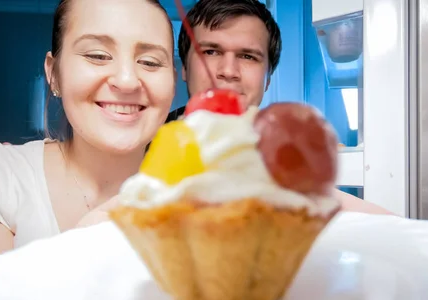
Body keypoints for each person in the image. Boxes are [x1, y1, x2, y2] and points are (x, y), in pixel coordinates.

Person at [0, 0, 177, 255]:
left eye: (150, 62)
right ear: (53, 72)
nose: (127, 81)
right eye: (98, 56)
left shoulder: (204, 197)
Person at [168, 0, 393, 215]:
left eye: (247, 56)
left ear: (267, 80)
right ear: (185, 68)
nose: (228, 70)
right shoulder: (143, 143)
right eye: (210, 51)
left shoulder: (280, 158)